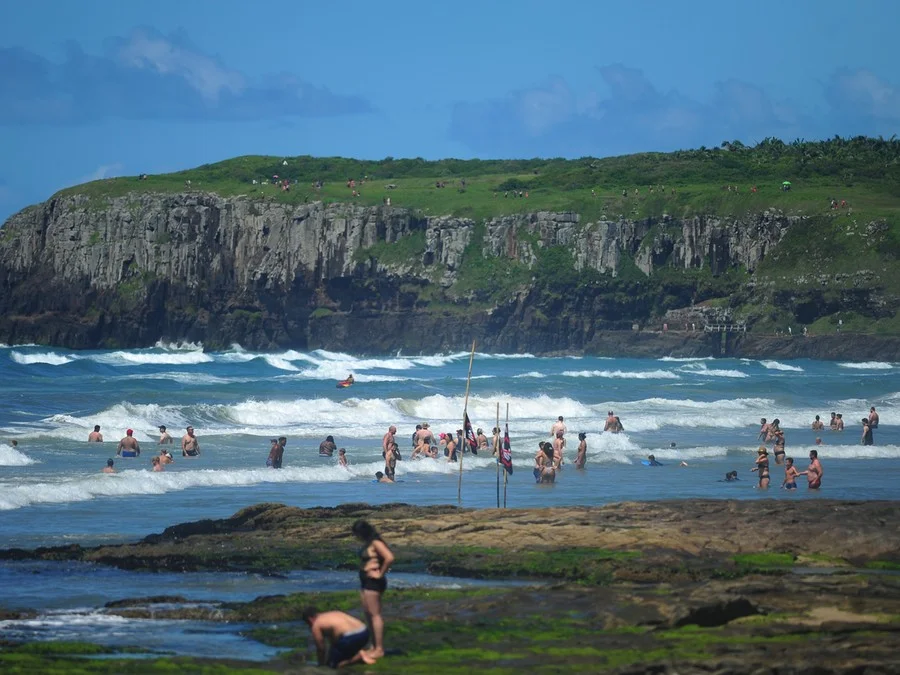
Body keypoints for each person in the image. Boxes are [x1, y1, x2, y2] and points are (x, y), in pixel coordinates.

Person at [353, 519, 394, 660]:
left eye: (357, 533)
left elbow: (389, 557)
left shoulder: (376, 542)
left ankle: (379, 649)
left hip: (373, 582)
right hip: (365, 581)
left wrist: (380, 573)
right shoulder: (368, 543)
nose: (356, 537)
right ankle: (374, 646)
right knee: (368, 613)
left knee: (375, 614)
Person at [301, 607, 374, 668]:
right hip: (364, 632)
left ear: (310, 619)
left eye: (308, 624)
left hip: (351, 637)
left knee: (333, 665)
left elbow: (321, 649)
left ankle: (358, 658)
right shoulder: (333, 613)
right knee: (341, 652)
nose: (309, 626)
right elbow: (334, 642)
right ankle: (364, 651)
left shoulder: (316, 625)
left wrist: (321, 664)